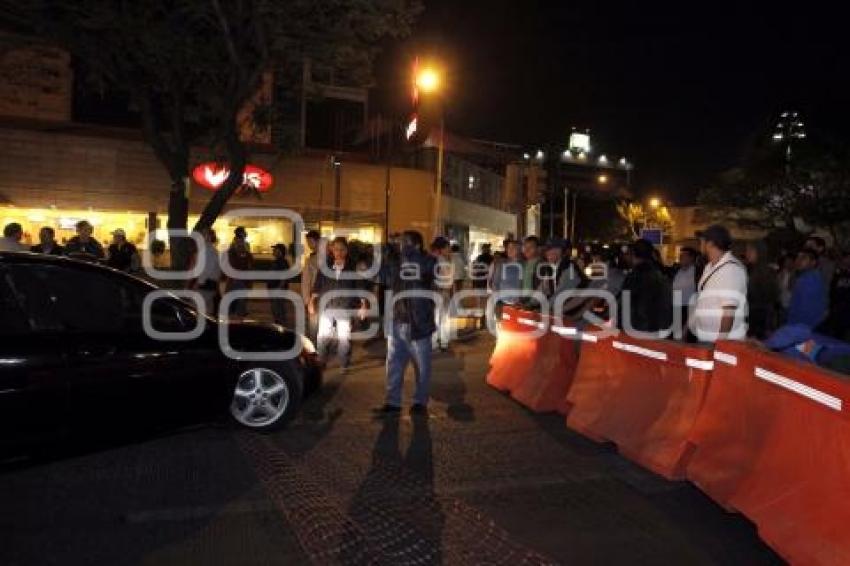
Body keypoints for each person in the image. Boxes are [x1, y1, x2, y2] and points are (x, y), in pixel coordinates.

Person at [375, 230, 437, 416]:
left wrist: (403, 253)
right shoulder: (396, 261)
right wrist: (385, 252)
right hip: (397, 320)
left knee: (422, 366)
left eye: (405, 243)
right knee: (394, 365)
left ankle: (420, 402)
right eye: (400, 243)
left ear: (417, 245)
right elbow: (380, 277)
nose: (401, 246)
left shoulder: (428, 261)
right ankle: (393, 402)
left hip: (419, 322)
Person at [309, 237, 368, 372]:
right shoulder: (325, 267)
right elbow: (317, 285)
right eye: (336, 249)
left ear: (346, 251)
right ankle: (321, 361)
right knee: (322, 336)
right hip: (327, 306)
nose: (338, 252)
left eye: (342, 249)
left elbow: (360, 286)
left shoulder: (353, 268)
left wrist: (363, 305)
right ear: (332, 250)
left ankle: (343, 363)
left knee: (344, 338)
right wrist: (312, 302)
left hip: (344, 307)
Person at [693, 224, 748, 342]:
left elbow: (729, 311)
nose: (700, 244)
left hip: (720, 342)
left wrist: (720, 345)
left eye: (702, 240)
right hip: (706, 337)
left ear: (711, 243)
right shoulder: (709, 267)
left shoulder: (730, 269)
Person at [619, 239, 673, 333]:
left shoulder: (634, 277)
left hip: (638, 329)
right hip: (657, 329)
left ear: (633, 254)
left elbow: (625, 306)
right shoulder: (659, 274)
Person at [744, 240, 780, 339]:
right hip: (755, 318)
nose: (747, 253)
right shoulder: (755, 269)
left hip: (760, 321)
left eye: (750, 250)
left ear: (759, 252)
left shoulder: (765, 272)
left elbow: (767, 299)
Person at [786, 248, 827, 329]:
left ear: (813, 262)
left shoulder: (810, 280)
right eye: (798, 257)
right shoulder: (804, 278)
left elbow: (805, 309)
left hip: (802, 326)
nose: (798, 261)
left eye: (803, 258)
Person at [187, 228, 222, 317]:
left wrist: (198, 283)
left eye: (204, 235)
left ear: (209, 237)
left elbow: (206, 269)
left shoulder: (207, 250)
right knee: (207, 311)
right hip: (210, 285)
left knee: (195, 310)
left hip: (205, 285)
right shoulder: (211, 250)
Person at [224, 227, 254, 318]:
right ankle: (236, 315)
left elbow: (249, 261)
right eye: (243, 234)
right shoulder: (236, 246)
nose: (244, 236)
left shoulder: (243, 246)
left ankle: (237, 315)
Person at [820, 251, 850, 340]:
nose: (847, 261)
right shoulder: (837, 273)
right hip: (834, 308)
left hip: (846, 311)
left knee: (841, 335)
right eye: (846, 258)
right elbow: (832, 290)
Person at [430, 236, 453, 351]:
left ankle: (435, 342)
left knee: (436, 318)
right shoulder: (441, 260)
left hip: (435, 292)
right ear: (441, 248)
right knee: (442, 318)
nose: (449, 249)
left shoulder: (432, 258)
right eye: (447, 247)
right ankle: (442, 342)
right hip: (441, 292)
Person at [672, 247, 699, 340]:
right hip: (676, 309)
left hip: (688, 310)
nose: (681, 257)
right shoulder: (677, 271)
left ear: (691, 258)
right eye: (680, 255)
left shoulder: (696, 273)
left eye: (684, 255)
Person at [301, 230, 322, 341]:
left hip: (315, 295)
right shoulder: (313, 258)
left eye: (310, 241)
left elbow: (306, 281)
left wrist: (306, 299)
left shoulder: (314, 259)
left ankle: (314, 348)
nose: (309, 244)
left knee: (314, 325)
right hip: (317, 296)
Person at [268, 243, 293, 327]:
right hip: (274, 289)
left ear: (280, 251)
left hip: (277, 290)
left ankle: (281, 327)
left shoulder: (282, 262)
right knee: (276, 309)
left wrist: (279, 288)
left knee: (278, 309)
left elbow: (284, 277)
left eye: (275, 249)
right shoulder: (277, 261)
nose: (273, 251)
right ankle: (279, 326)